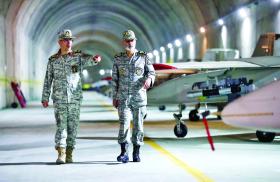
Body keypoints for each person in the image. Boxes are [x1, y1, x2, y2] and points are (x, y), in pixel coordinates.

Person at [41, 29, 101, 164]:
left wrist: (95, 59)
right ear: (60, 42)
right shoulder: (53, 60)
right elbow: (48, 79)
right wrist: (45, 97)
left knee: (72, 126)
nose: (69, 42)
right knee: (61, 125)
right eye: (66, 40)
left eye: (71, 40)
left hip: (75, 98)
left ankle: (69, 152)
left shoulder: (77, 57)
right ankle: (61, 153)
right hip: (59, 98)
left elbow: (89, 61)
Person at [112, 30, 156, 163]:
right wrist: (115, 96)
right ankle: (123, 153)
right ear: (123, 42)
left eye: (131, 40)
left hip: (139, 97)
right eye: (127, 40)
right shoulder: (118, 58)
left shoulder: (143, 57)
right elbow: (115, 79)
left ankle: (136, 152)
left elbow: (152, 72)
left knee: (138, 126)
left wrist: (149, 79)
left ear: (135, 41)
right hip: (123, 97)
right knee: (123, 124)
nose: (129, 43)